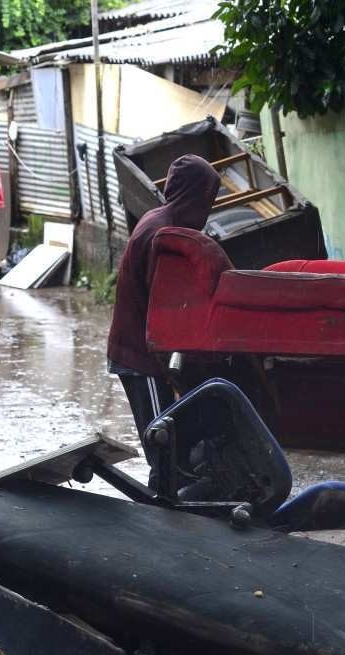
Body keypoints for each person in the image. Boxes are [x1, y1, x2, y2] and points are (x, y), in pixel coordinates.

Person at [107, 154, 221, 456]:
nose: (208, 210)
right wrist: (171, 371)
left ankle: (172, 491)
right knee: (162, 436)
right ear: (192, 196)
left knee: (169, 433)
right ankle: (165, 496)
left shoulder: (162, 220)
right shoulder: (162, 235)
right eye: (206, 199)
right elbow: (159, 312)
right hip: (139, 355)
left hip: (147, 350)